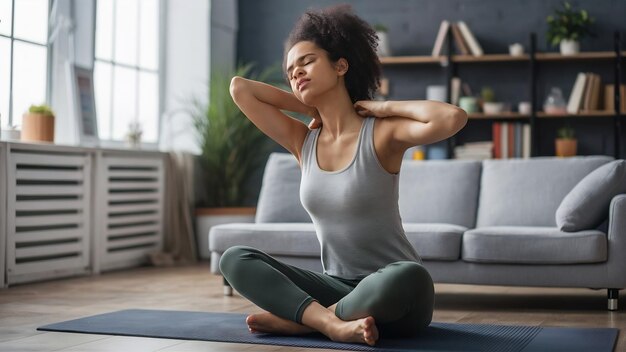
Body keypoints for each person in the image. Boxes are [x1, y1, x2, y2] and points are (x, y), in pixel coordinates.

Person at [222, 4, 467, 346]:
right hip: (336, 285)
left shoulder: (381, 134)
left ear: (341, 65)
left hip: (394, 293)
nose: (296, 73)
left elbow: (452, 117)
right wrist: (309, 105)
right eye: (290, 70)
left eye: (307, 61)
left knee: (410, 275)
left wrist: (380, 106)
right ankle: (331, 322)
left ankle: (306, 323)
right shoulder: (302, 142)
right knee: (235, 258)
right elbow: (240, 89)